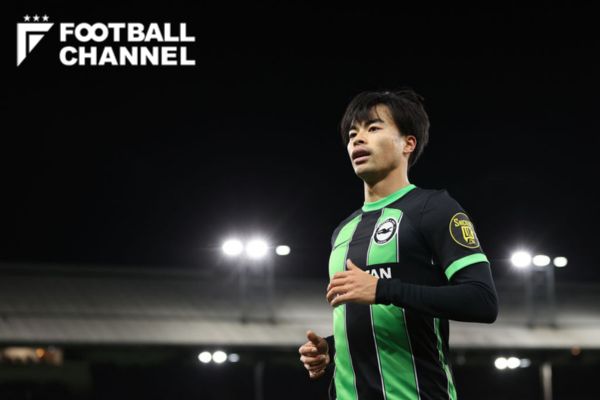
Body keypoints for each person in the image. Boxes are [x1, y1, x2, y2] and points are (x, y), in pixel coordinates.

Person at [298, 89, 498, 400]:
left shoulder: (434, 208)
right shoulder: (343, 231)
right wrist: (331, 347)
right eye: (352, 134)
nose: (357, 139)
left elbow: (482, 300)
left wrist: (382, 289)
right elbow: (373, 321)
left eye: (373, 128)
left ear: (408, 143)